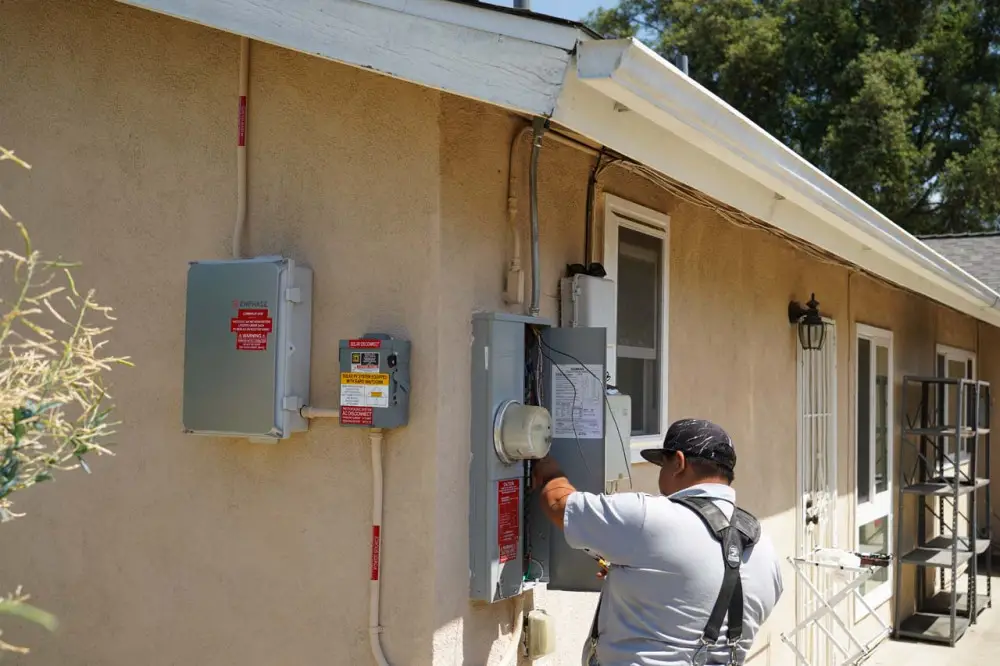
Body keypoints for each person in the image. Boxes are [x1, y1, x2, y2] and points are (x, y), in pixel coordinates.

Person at [532, 418, 783, 666]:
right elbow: (700, 593)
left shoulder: (650, 517)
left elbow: (558, 504)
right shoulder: (766, 550)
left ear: (679, 463)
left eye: (662, 464)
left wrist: (551, 470)